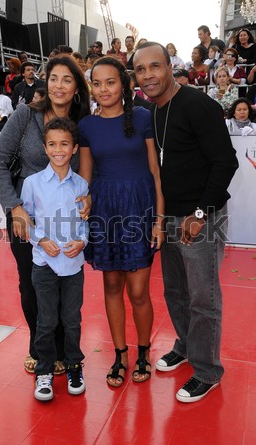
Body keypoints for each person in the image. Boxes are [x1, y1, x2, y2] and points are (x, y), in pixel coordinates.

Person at [133, 42, 238, 403]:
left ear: (169, 67)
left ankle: (207, 370)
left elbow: (226, 162)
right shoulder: (152, 111)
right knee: (175, 292)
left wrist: (198, 214)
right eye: (141, 70)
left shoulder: (198, 105)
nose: (148, 75)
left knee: (202, 299)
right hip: (169, 217)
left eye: (154, 66)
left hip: (200, 219)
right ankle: (186, 345)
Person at [0, 55, 91, 375]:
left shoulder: (83, 122)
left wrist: (88, 196)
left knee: (65, 282)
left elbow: (89, 167)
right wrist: (15, 207)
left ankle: (62, 350)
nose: (59, 86)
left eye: (67, 80)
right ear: (47, 82)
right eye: (54, 78)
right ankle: (39, 346)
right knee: (32, 285)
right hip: (26, 216)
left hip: (65, 219)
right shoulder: (24, 115)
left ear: (76, 87)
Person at [78, 56, 165, 387]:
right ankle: (120, 354)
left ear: (125, 85)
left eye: (110, 82)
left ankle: (144, 351)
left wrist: (158, 220)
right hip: (105, 210)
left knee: (139, 290)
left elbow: (155, 173)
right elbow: (85, 177)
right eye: (96, 84)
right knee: (111, 286)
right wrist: (82, 204)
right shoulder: (86, 126)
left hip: (139, 208)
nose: (103, 89)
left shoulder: (143, 117)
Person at [21, 117, 89, 401]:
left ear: (74, 148)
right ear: (45, 148)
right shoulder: (32, 183)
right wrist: (41, 240)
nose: (58, 149)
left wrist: (82, 240)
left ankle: (74, 366)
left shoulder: (81, 184)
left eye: (64, 144)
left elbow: (85, 221)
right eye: (52, 144)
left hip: (73, 266)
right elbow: (25, 221)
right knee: (46, 321)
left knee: (72, 320)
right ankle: (45, 371)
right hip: (44, 265)